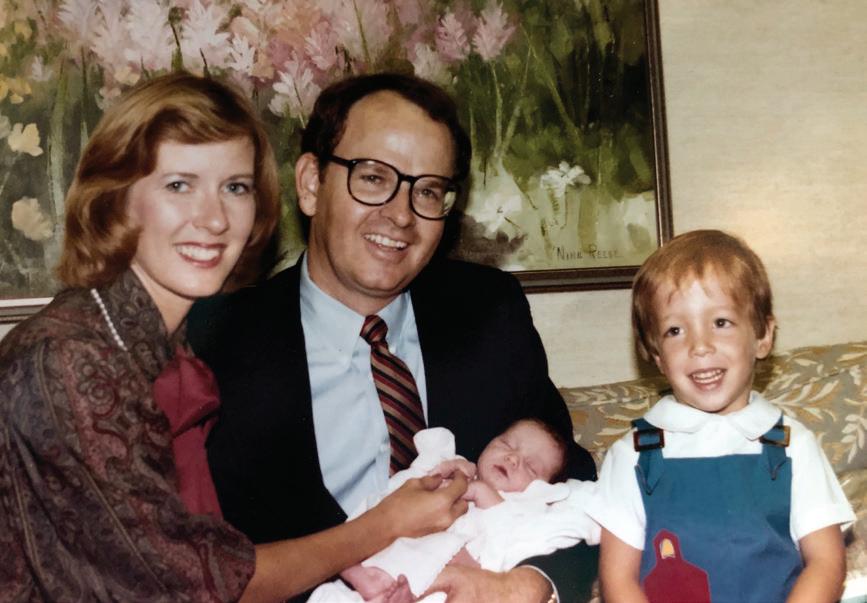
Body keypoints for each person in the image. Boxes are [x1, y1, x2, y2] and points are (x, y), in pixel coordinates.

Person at [0, 72, 467, 603]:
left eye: (235, 188)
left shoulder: (162, 346)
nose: (214, 219)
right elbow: (199, 581)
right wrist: (383, 526)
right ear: (116, 198)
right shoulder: (68, 361)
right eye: (179, 185)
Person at [188, 72, 599, 602]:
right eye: (373, 178)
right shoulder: (215, 340)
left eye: (427, 190)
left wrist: (527, 585)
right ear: (311, 184)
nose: (402, 215)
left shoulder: (487, 312)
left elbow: (574, 482)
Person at [587, 229, 855, 602]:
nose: (699, 346)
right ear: (657, 355)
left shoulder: (793, 445)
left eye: (721, 322)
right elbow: (618, 580)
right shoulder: (632, 454)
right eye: (675, 330)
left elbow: (826, 562)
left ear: (762, 336)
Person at [328, 420, 600, 603]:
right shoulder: (456, 469)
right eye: (506, 444)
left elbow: (514, 542)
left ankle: (389, 588)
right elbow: (407, 489)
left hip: (461, 575)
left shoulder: (523, 509)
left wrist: (488, 499)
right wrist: (443, 470)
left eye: (530, 466)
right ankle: (372, 577)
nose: (512, 458)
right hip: (401, 548)